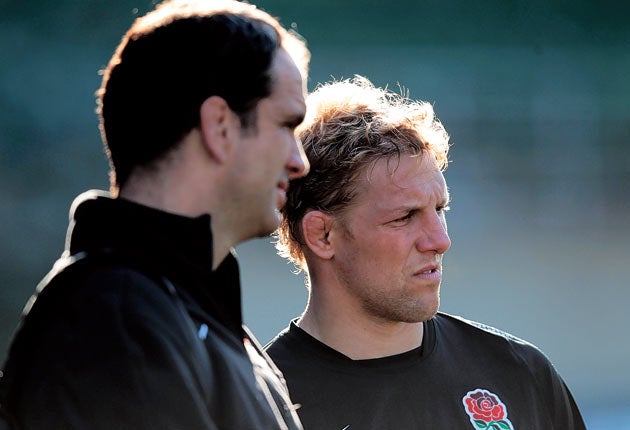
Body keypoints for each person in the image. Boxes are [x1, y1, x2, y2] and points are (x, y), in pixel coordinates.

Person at [0, 0, 310, 428]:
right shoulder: (114, 318)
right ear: (220, 126)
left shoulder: (182, 311)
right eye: (286, 125)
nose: (300, 161)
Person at [265, 76, 586, 429]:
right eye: (405, 217)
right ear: (322, 235)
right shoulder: (260, 405)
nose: (439, 240)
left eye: (440, 210)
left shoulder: (519, 374)